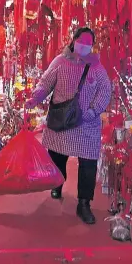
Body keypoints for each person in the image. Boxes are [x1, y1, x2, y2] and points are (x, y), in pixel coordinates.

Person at [26, 27, 111, 225]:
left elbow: (106, 90)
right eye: (82, 41)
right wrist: (34, 99)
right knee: (57, 156)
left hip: (86, 124)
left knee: (88, 164)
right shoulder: (60, 61)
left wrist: (93, 111)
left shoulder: (96, 67)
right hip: (61, 120)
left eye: (89, 43)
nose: (85, 45)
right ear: (73, 40)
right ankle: (58, 182)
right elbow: (45, 83)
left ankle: (84, 204)